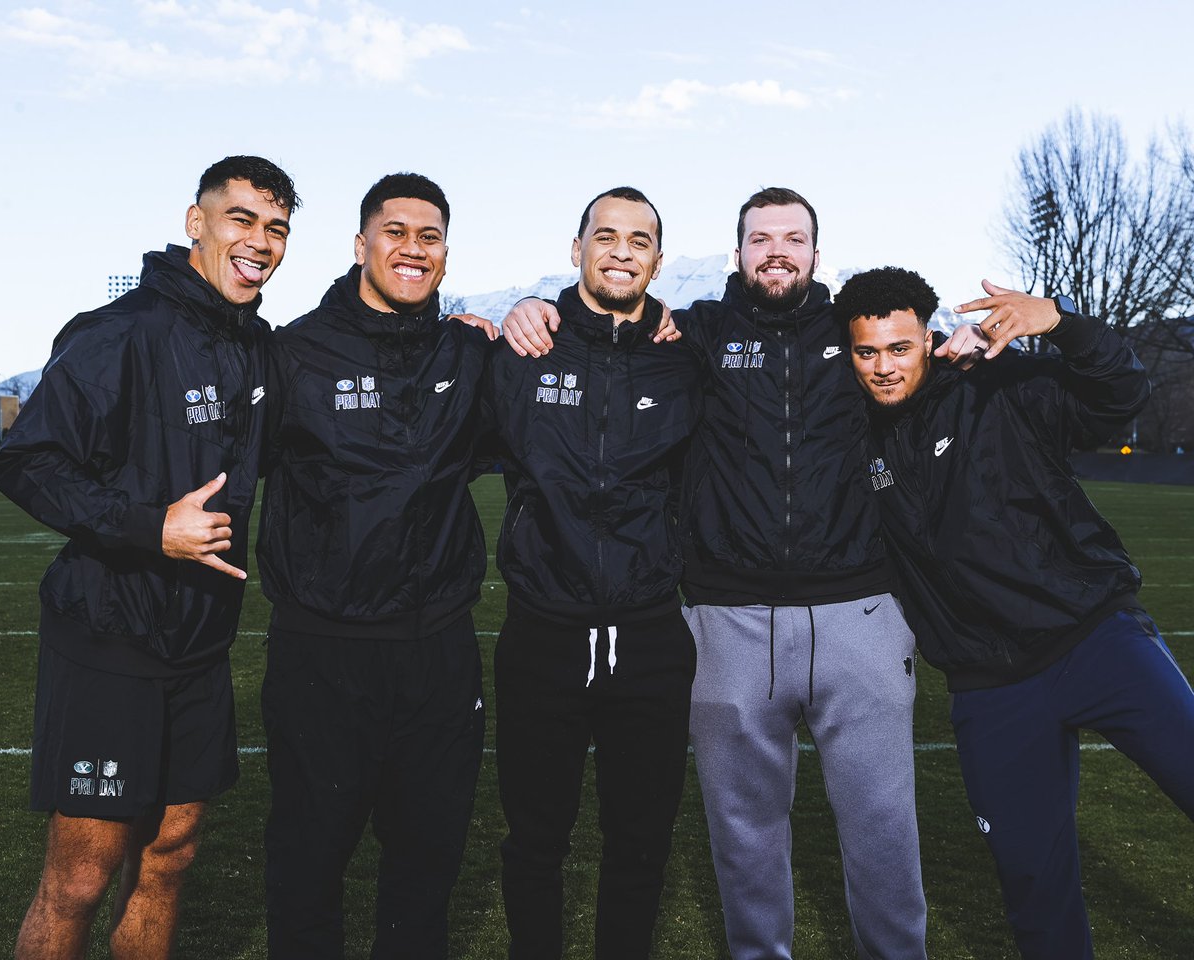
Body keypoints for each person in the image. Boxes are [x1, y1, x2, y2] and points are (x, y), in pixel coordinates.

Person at [503, 188, 937, 960]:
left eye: (793, 237)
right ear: (737, 251)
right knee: (745, 834)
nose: (777, 249)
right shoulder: (694, 335)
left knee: (882, 826)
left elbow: (917, 363)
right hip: (730, 619)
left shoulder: (853, 335)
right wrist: (527, 309)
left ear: (813, 250)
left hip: (858, 611)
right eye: (760, 236)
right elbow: (613, 325)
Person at [0, 156, 299, 960]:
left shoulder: (260, 349)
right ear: (195, 222)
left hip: (199, 644)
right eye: (241, 219)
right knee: (81, 880)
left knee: (170, 857)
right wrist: (148, 528)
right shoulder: (120, 333)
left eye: (275, 228)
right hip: (109, 635)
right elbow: (25, 460)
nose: (259, 242)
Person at [841, 267, 1194, 960]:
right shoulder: (852, 438)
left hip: (1096, 640)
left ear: (929, 337)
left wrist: (1060, 324)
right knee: (1033, 880)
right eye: (867, 352)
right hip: (990, 688)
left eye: (899, 348)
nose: (884, 367)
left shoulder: (994, 383)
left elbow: (1119, 395)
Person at [257, 172, 496, 959]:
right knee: (308, 864)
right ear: (361, 244)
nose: (412, 248)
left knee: (426, 869)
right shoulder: (294, 353)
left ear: (446, 255)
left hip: (435, 653)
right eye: (395, 232)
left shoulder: (469, 352)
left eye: (428, 237)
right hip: (323, 652)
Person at [485, 187, 703, 959]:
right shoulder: (521, 350)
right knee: (536, 840)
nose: (621, 250)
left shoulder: (685, 361)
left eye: (638, 240)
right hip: (543, 631)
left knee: (640, 844)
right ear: (575, 248)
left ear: (658, 260)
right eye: (605, 235)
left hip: (648, 636)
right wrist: (490, 314)